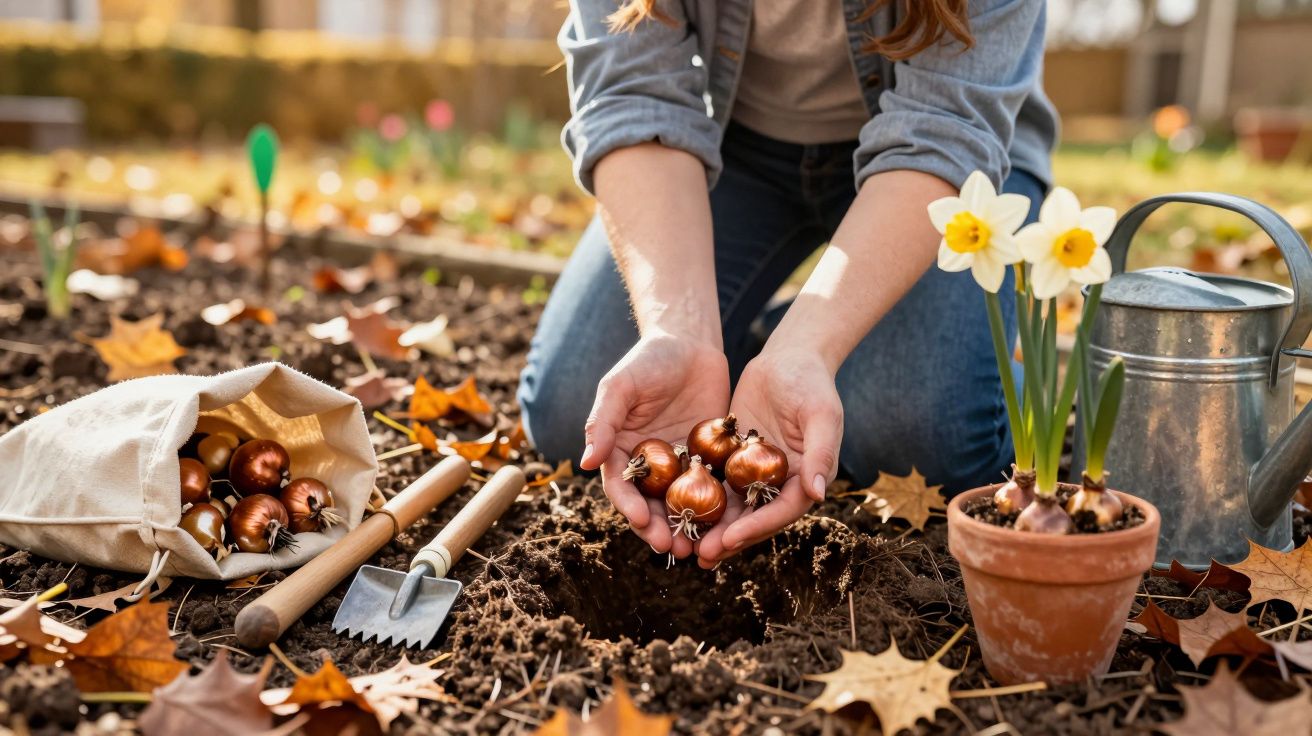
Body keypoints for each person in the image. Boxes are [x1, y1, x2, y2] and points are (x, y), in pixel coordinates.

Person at [517, 0, 1056, 568]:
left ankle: (828, 344)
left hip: (945, 159)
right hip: (734, 148)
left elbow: (944, 131)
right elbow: (632, 95)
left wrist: (806, 350)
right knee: (576, 407)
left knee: (923, 433)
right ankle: (776, 343)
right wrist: (677, 330)